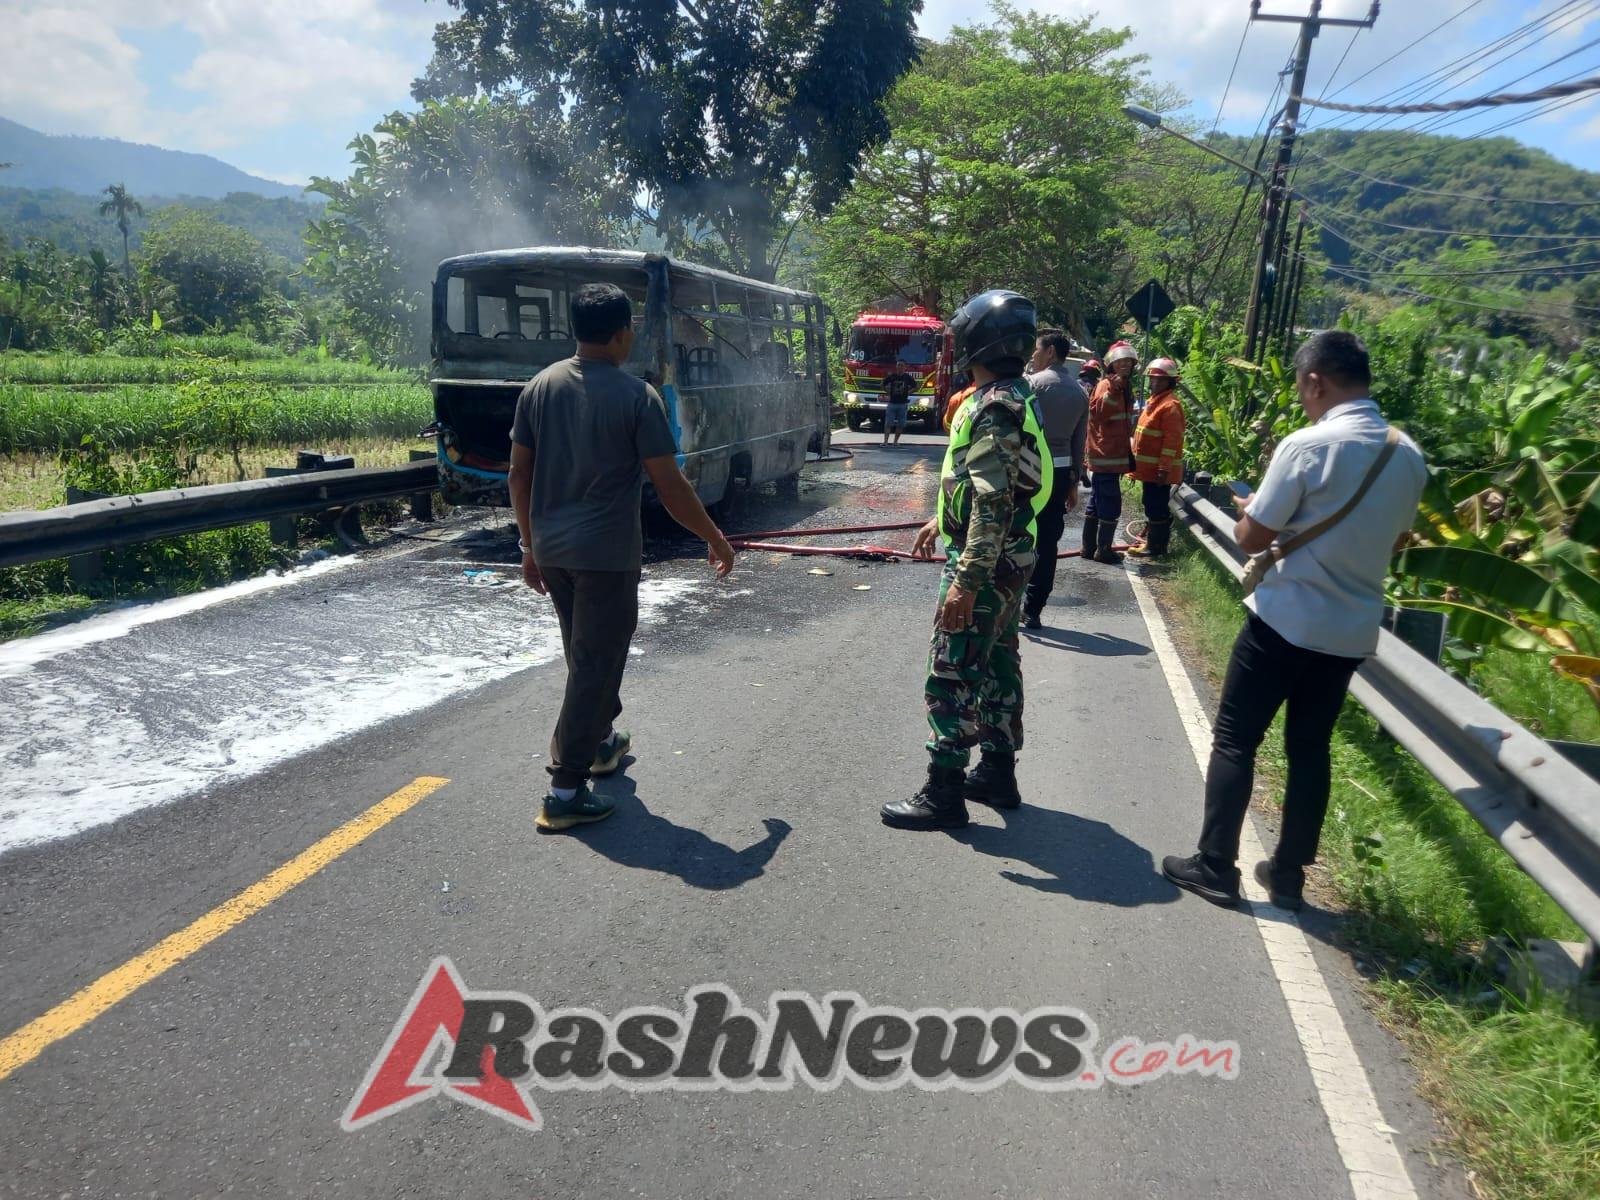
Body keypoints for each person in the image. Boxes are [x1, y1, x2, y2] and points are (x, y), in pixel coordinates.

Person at [1162, 330, 1427, 909]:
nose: (1304, 400)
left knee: (1236, 739)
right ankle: (1288, 876)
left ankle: (1215, 865)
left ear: (1316, 381)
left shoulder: (1309, 445)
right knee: (1311, 749)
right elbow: (1398, 540)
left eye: (1304, 390)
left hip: (1283, 621)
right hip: (1350, 630)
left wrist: (1251, 512)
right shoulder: (1408, 455)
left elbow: (1251, 536)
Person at [510, 282, 738, 832]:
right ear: (621, 333)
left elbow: (519, 473)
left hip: (554, 550)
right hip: (605, 556)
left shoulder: (539, 387)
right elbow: (671, 485)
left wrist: (528, 546)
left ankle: (603, 742)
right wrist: (715, 537)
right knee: (595, 661)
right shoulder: (638, 397)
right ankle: (565, 789)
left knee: (585, 652)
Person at [881, 290, 1052, 830]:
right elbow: (986, 487)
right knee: (1000, 663)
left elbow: (994, 500)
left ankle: (944, 792)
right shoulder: (1017, 393)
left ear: (978, 339)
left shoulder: (993, 406)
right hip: (1012, 555)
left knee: (953, 670)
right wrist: (942, 517)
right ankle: (998, 772)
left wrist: (966, 582)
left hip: (987, 561)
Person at [1021, 327, 1089, 628]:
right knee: (1048, 541)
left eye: (1037, 349)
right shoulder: (1079, 392)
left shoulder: (1031, 385)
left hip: (1029, 469)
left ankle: (1008, 599)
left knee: (1017, 531)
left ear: (1050, 352)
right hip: (1061, 472)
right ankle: (1033, 608)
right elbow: (1079, 441)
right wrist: (1074, 482)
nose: (1033, 355)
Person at [1080, 341, 1139, 564]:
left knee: (1097, 501)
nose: (1125, 365)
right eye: (1120, 361)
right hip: (1106, 455)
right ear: (1111, 364)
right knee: (1110, 502)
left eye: (1128, 361)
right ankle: (1103, 550)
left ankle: (1089, 547)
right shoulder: (1107, 386)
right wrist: (1114, 389)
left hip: (1112, 454)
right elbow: (1102, 413)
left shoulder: (1124, 386)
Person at [1127, 357, 1186, 559]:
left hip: (1159, 472)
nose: (1155, 383)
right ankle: (1155, 545)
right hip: (1150, 471)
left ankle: (1156, 547)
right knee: (1151, 504)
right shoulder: (1155, 402)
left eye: (1160, 380)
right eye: (1152, 379)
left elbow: (1172, 442)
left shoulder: (1170, 406)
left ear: (1170, 382)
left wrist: (1164, 469)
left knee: (1156, 507)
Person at [882, 368, 915, 445]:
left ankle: (895, 442)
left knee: (901, 424)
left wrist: (908, 392)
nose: (900, 366)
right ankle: (885, 442)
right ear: (896, 366)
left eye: (901, 365)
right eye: (898, 365)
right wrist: (888, 391)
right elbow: (883, 384)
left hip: (903, 404)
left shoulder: (907, 377)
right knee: (888, 423)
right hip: (892, 403)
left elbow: (915, 386)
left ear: (904, 367)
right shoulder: (892, 376)